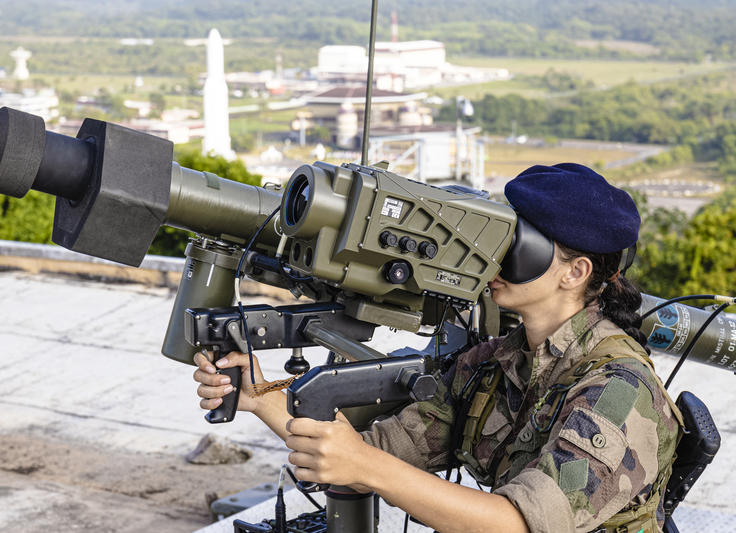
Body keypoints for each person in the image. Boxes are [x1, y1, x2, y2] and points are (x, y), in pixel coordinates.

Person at [192, 163, 681, 533]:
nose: (496, 259)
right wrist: (260, 396)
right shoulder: (498, 363)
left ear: (575, 273)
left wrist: (366, 466)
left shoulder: (619, 391)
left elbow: (517, 524)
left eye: (519, 245)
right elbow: (372, 455)